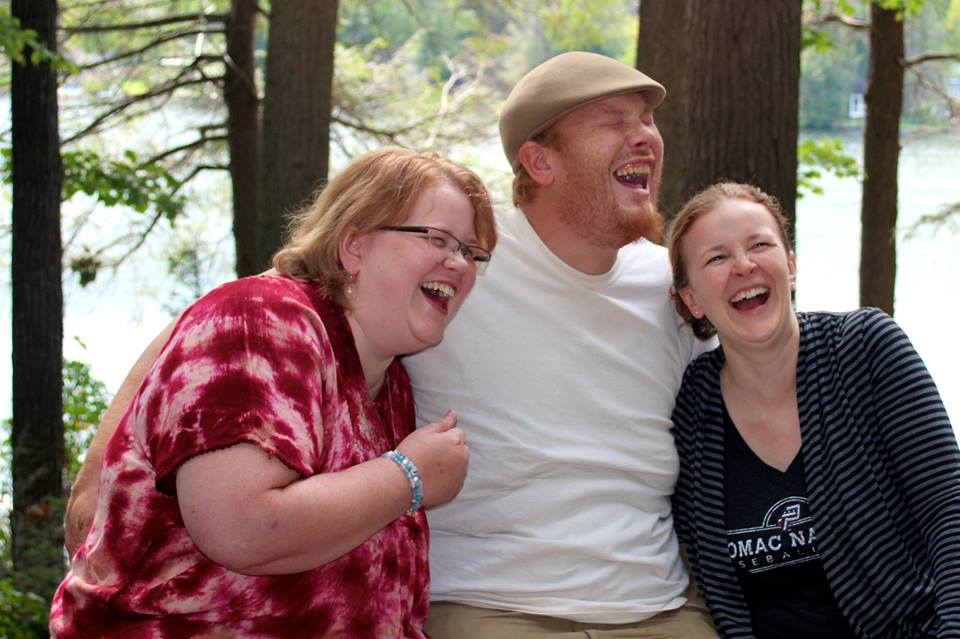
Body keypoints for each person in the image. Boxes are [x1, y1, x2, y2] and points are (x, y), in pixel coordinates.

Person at [65, 52, 718, 637]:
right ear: (539, 160)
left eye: (649, 121)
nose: (644, 136)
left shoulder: (671, 284)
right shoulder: (379, 291)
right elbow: (213, 325)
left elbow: (753, 379)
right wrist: (95, 493)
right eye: (612, 120)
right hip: (490, 608)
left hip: (653, 604)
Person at [51, 146, 498, 638]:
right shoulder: (260, 320)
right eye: (437, 238)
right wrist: (408, 476)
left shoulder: (390, 381)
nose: (458, 263)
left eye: (471, 252)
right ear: (354, 246)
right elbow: (240, 528)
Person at [666, 181, 960, 638]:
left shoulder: (865, 348)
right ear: (692, 299)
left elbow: (948, 509)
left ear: (790, 265)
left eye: (759, 245)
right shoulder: (692, 408)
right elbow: (715, 584)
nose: (743, 266)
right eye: (717, 258)